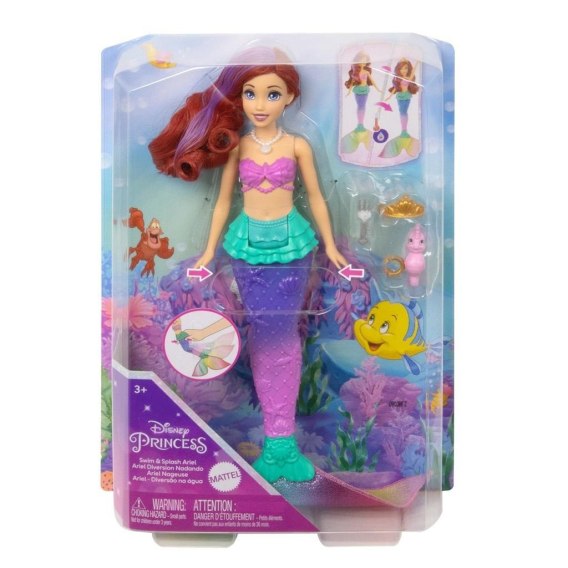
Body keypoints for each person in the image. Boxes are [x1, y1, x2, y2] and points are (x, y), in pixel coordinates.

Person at [149, 46, 347, 483]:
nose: (260, 104)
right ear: (238, 98)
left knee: (283, 334)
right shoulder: (238, 147)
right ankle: (277, 443)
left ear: (289, 97)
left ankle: (282, 443)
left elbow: (316, 198)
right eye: (250, 93)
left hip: (293, 246)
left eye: (272, 94)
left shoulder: (297, 145)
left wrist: (332, 248)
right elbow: (223, 202)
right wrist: (207, 253)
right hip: (247, 247)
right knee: (264, 332)